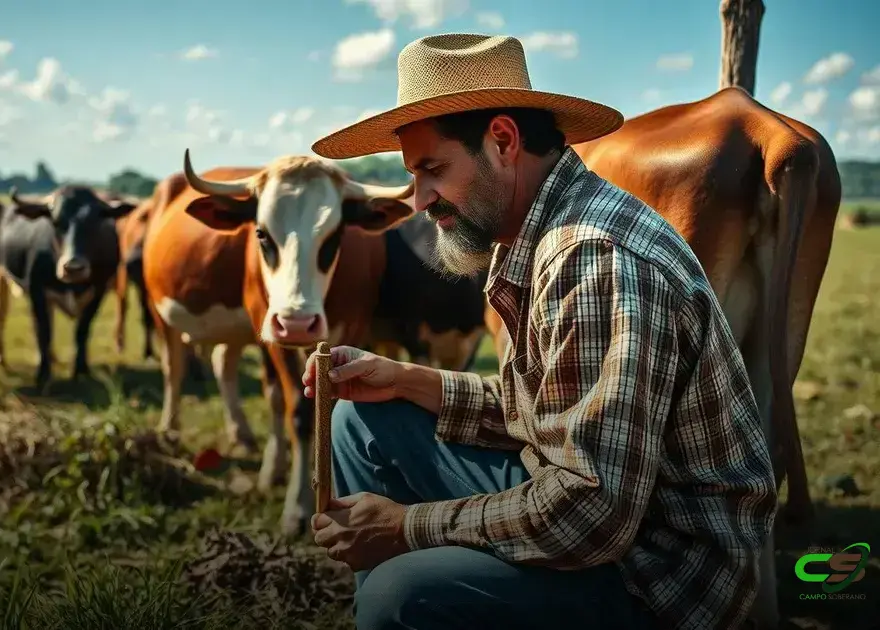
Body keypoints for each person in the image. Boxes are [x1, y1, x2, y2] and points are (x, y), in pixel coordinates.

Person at [303, 33, 778, 630]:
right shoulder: (532, 225)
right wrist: (405, 379)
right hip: (594, 505)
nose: (419, 201)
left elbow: (593, 515)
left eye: (433, 170)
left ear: (503, 141)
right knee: (361, 419)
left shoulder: (594, 261)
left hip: (659, 573)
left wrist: (405, 528)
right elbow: (546, 410)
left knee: (399, 595)